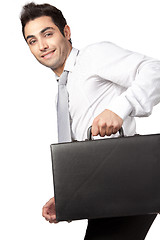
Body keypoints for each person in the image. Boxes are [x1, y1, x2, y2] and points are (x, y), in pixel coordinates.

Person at [20, 2, 160, 239]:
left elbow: (155, 70)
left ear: (66, 32)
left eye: (48, 34)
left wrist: (119, 108)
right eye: (32, 40)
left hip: (127, 182)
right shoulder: (63, 88)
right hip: (107, 189)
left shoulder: (93, 56)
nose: (42, 45)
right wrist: (68, 195)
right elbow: (85, 155)